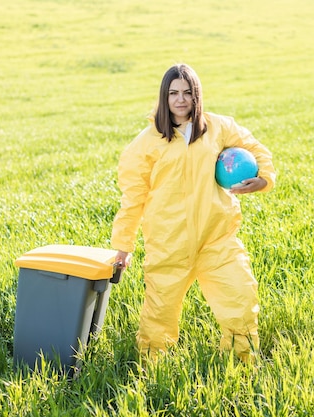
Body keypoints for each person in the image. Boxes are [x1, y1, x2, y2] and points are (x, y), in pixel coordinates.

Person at [110, 63, 276, 362]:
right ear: (164, 97)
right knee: (158, 316)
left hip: (217, 240)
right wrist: (123, 246)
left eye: (187, 92)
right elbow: (132, 198)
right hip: (168, 243)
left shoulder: (218, 128)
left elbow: (255, 148)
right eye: (173, 93)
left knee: (240, 302)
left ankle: (243, 365)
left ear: (196, 95)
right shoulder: (145, 145)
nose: (181, 99)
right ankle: (153, 369)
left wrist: (263, 178)